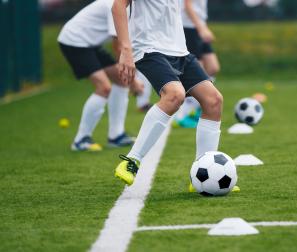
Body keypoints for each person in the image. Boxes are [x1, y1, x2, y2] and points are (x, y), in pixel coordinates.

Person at [112, 0, 239, 192]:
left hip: (180, 50)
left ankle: (200, 176)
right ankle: (132, 160)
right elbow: (118, 5)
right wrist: (125, 49)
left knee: (214, 101)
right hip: (149, 48)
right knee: (174, 94)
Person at [58, 0, 150, 151]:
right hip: (74, 41)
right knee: (104, 88)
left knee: (121, 80)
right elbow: (119, 46)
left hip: (90, 44)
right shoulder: (116, 5)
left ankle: (116, 136)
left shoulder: (132, 6)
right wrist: (134, 81)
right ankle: (81, 140)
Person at [172, 0, 221, 128]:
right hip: (189, 28)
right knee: (195, 72)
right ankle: (183, 114)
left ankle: (196, 106)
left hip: (198, 26)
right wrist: (202, 28)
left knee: (212, 67)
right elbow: (187, 6)